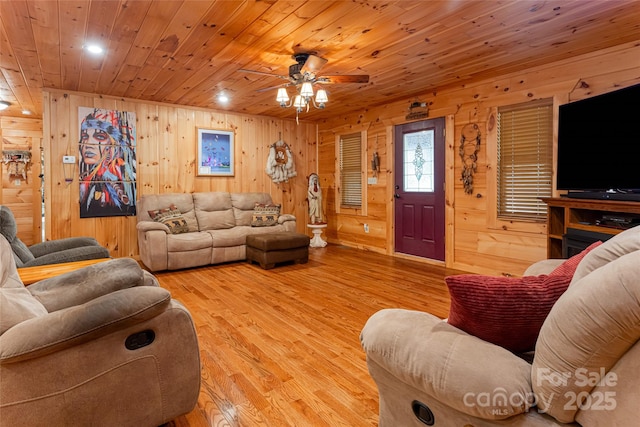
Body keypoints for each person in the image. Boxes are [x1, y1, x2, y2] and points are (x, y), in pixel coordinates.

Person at [78, 108, 136, 218]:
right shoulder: (88, 179)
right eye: (85, 136)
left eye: (100, 137)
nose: (88, 144)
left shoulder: (123, 171)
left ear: (113, 144)